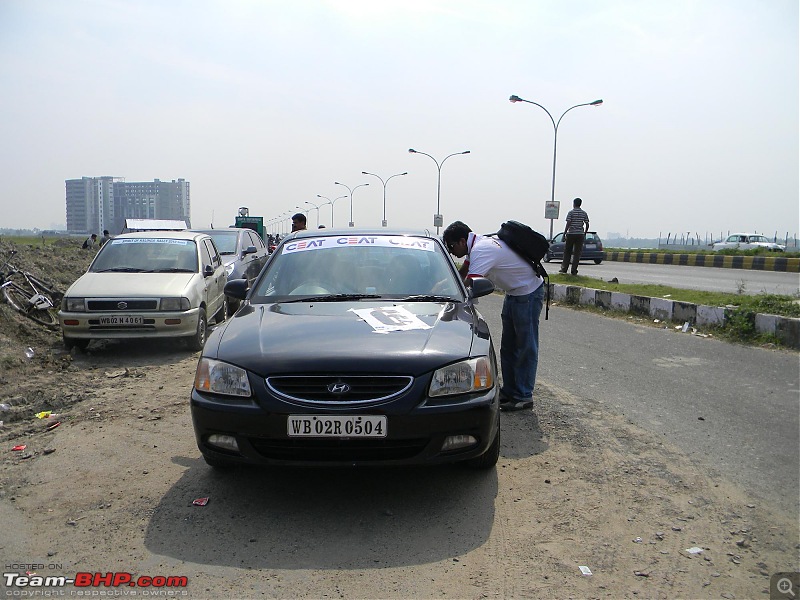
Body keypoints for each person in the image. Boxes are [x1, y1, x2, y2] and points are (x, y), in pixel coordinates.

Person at [443, 221, 545, 412]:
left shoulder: (482, 250)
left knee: (525, 346)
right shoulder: (477, 247)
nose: (451, 252)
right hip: (514, 293)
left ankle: (523, 395)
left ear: (462, 241)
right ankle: (510, 391)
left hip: (528, 293)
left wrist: (452, 303)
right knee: (508, 346)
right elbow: (461, 274)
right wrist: (445, 286)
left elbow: (469, 286)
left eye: (451, 246)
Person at [560, 197, 590, 276]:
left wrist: (564, 233)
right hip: (580, 234)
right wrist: (584, 233)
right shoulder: (584, 213)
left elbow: (568, 223)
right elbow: (587, 224)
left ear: (574, 204)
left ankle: (564, 268)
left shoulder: (571, 212)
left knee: (567, 252)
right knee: (577, 253)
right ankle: (574, 270)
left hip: (571, 234)